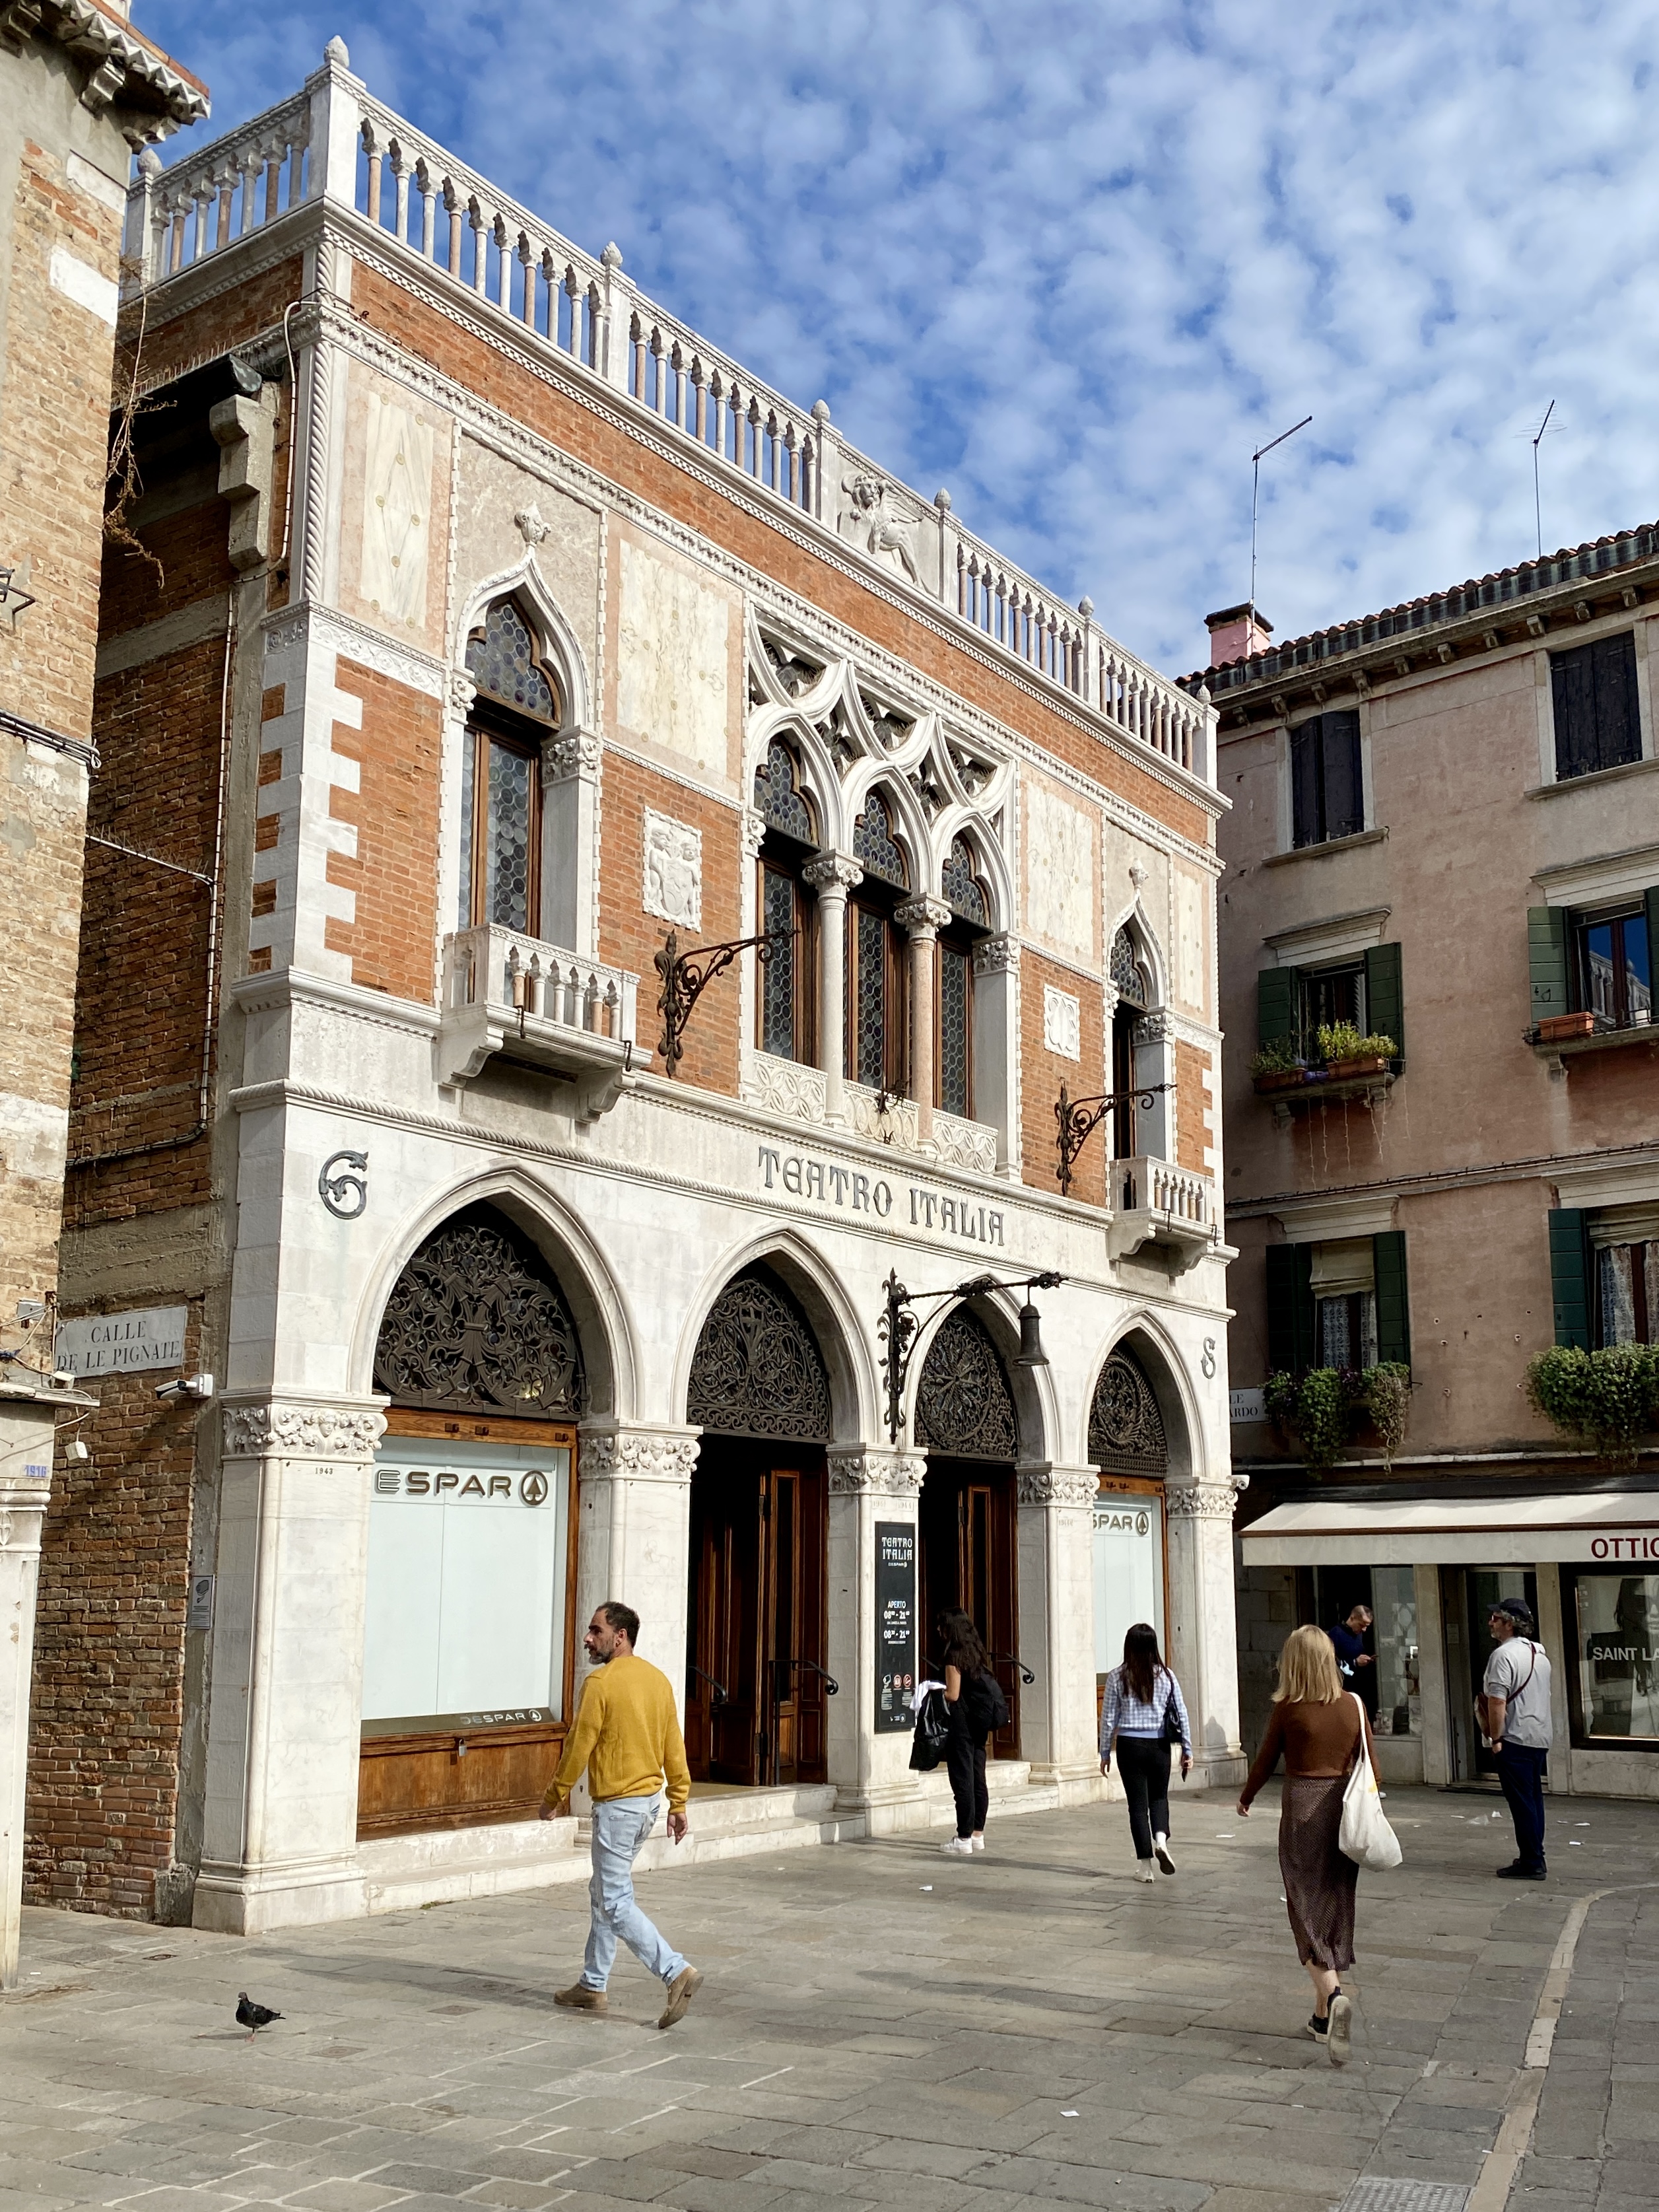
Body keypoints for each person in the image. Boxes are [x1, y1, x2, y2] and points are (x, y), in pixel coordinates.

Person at [539, 1601, 702, 2028]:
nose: (588, 1639)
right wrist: (679, 1801)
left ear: (620, 1636)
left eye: (595, 1631)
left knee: (614, 1900)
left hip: (618, 1809)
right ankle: (592, 1985)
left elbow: (578, 1746)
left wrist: (554, 1795)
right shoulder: (658, 1681)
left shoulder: (601, 1684)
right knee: (603, 1893)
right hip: (647, 1805)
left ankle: (675, 1972)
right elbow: (674, 1746)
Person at [1237, 1624, 1378, 2067]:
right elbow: (1372, 1766)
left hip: (1302, 1807)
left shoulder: (1288, 1709)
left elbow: (1264, 1761)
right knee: (1334, 1900)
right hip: (1344, 1812)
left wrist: (1245, 1797)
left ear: (1293, 1664)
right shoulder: (1353, 1705)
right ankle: (1321, 2020)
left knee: (1302, 1906)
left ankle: (1334, 1996)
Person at [1099, 1622, 1192, 1881]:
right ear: (1154, 1646)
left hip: (1129, 1746)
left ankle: (1146, 1868)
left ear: (1129, 1646)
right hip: (1159, 1745)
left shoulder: (1117, 1676)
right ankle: (1161, 1839)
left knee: (1137, 1807)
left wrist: (1105, 1752)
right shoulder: (1167, 1676)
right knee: (1159, 1798)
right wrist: (1188, 1748)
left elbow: (1108, 1718)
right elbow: (1181, 1713)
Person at [1478, 1597, 1553, 1881]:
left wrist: (1496, 1738)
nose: (1491, 1623)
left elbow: (1497, 1702)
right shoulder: (1540, 1654)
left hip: (1515, 1736)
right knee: (1533, 1799)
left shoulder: (1503, 1656)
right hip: (1538, 1734)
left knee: (1522, 1802)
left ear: (1509, 1624)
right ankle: (1534, 1854)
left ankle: (1532, 1861)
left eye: (1496, 1618)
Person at [937, 1608, 996, 1857]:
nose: (939, 1631)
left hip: (961, 1724)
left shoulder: (954, 1654)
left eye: (941, 1626)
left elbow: (953, 1694)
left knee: (963, 1779)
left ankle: (962, 1837)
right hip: (979, 1723)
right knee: (977, 1776)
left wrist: (932, 1691)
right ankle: (977, 1834)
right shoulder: (976, 1652)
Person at [1330, 1603, 1378, 1718]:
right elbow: (1333, 1664)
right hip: (1344, 1687)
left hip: (1361, 1687)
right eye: (1362, 1625)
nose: (1364, 1629)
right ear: (1352, 1618)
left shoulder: (1360, 1634)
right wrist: (1354, 1663)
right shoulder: (1336, 1634)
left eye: (1367, 1626)